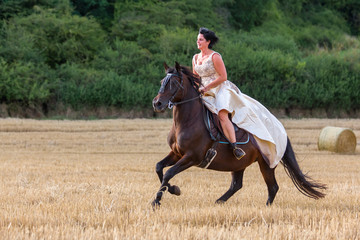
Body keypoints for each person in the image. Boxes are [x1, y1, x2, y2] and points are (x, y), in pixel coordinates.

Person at [192, 27, 288, 167]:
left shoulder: (215, 57)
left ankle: (234, 146)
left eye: (200, 40)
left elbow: (223, 77)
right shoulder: (195, 58)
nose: (198, 42)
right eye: (197, 39)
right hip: (203, 90)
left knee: (222, 115)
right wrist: (196, 89)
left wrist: (207, 87)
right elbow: (195, 77)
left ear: (208, 42)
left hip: (219, 89)